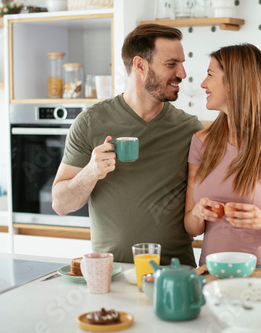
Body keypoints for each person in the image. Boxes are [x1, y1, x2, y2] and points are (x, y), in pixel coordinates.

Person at [51, 24, 204, 266]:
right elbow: (60, 204)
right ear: (140, 65)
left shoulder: (191, 130)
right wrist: (91, 172)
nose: (182, 73)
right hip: (111, 273)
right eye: (171, 64)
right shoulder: (90, 122)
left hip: (175, 275)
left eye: (182, 63)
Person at [184, 44, 261, 270]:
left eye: (210, 75)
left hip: (260, 270)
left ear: (235, 83)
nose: (203, 84)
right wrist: (198, 212)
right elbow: (192, 228)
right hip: (209, 270)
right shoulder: (201, 142)